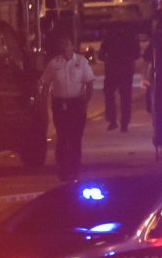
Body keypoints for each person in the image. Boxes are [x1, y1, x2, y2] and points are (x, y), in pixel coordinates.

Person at [40, 34, 95, 180]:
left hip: (76, 104)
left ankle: (75, 169)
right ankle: (63, 168)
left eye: (67, 44)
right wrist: (43, 103)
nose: (64, 47)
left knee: (76, 138)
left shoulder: (81, 62)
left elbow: (89, 83)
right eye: (62, 44)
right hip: (60, 105)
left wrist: (85, 102)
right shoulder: (54, 64)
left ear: (72, 46)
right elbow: (45, 83)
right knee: (63, 137)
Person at [100, 24, 139, 132]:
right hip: (126, 70)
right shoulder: (131, 37)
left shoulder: (108, 38)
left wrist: (109, 59)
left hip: (111, 70)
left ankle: (112, 120)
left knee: (109, 95)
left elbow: (101, 55)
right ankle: (124, 124)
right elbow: (137, 54)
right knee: (126, 97)